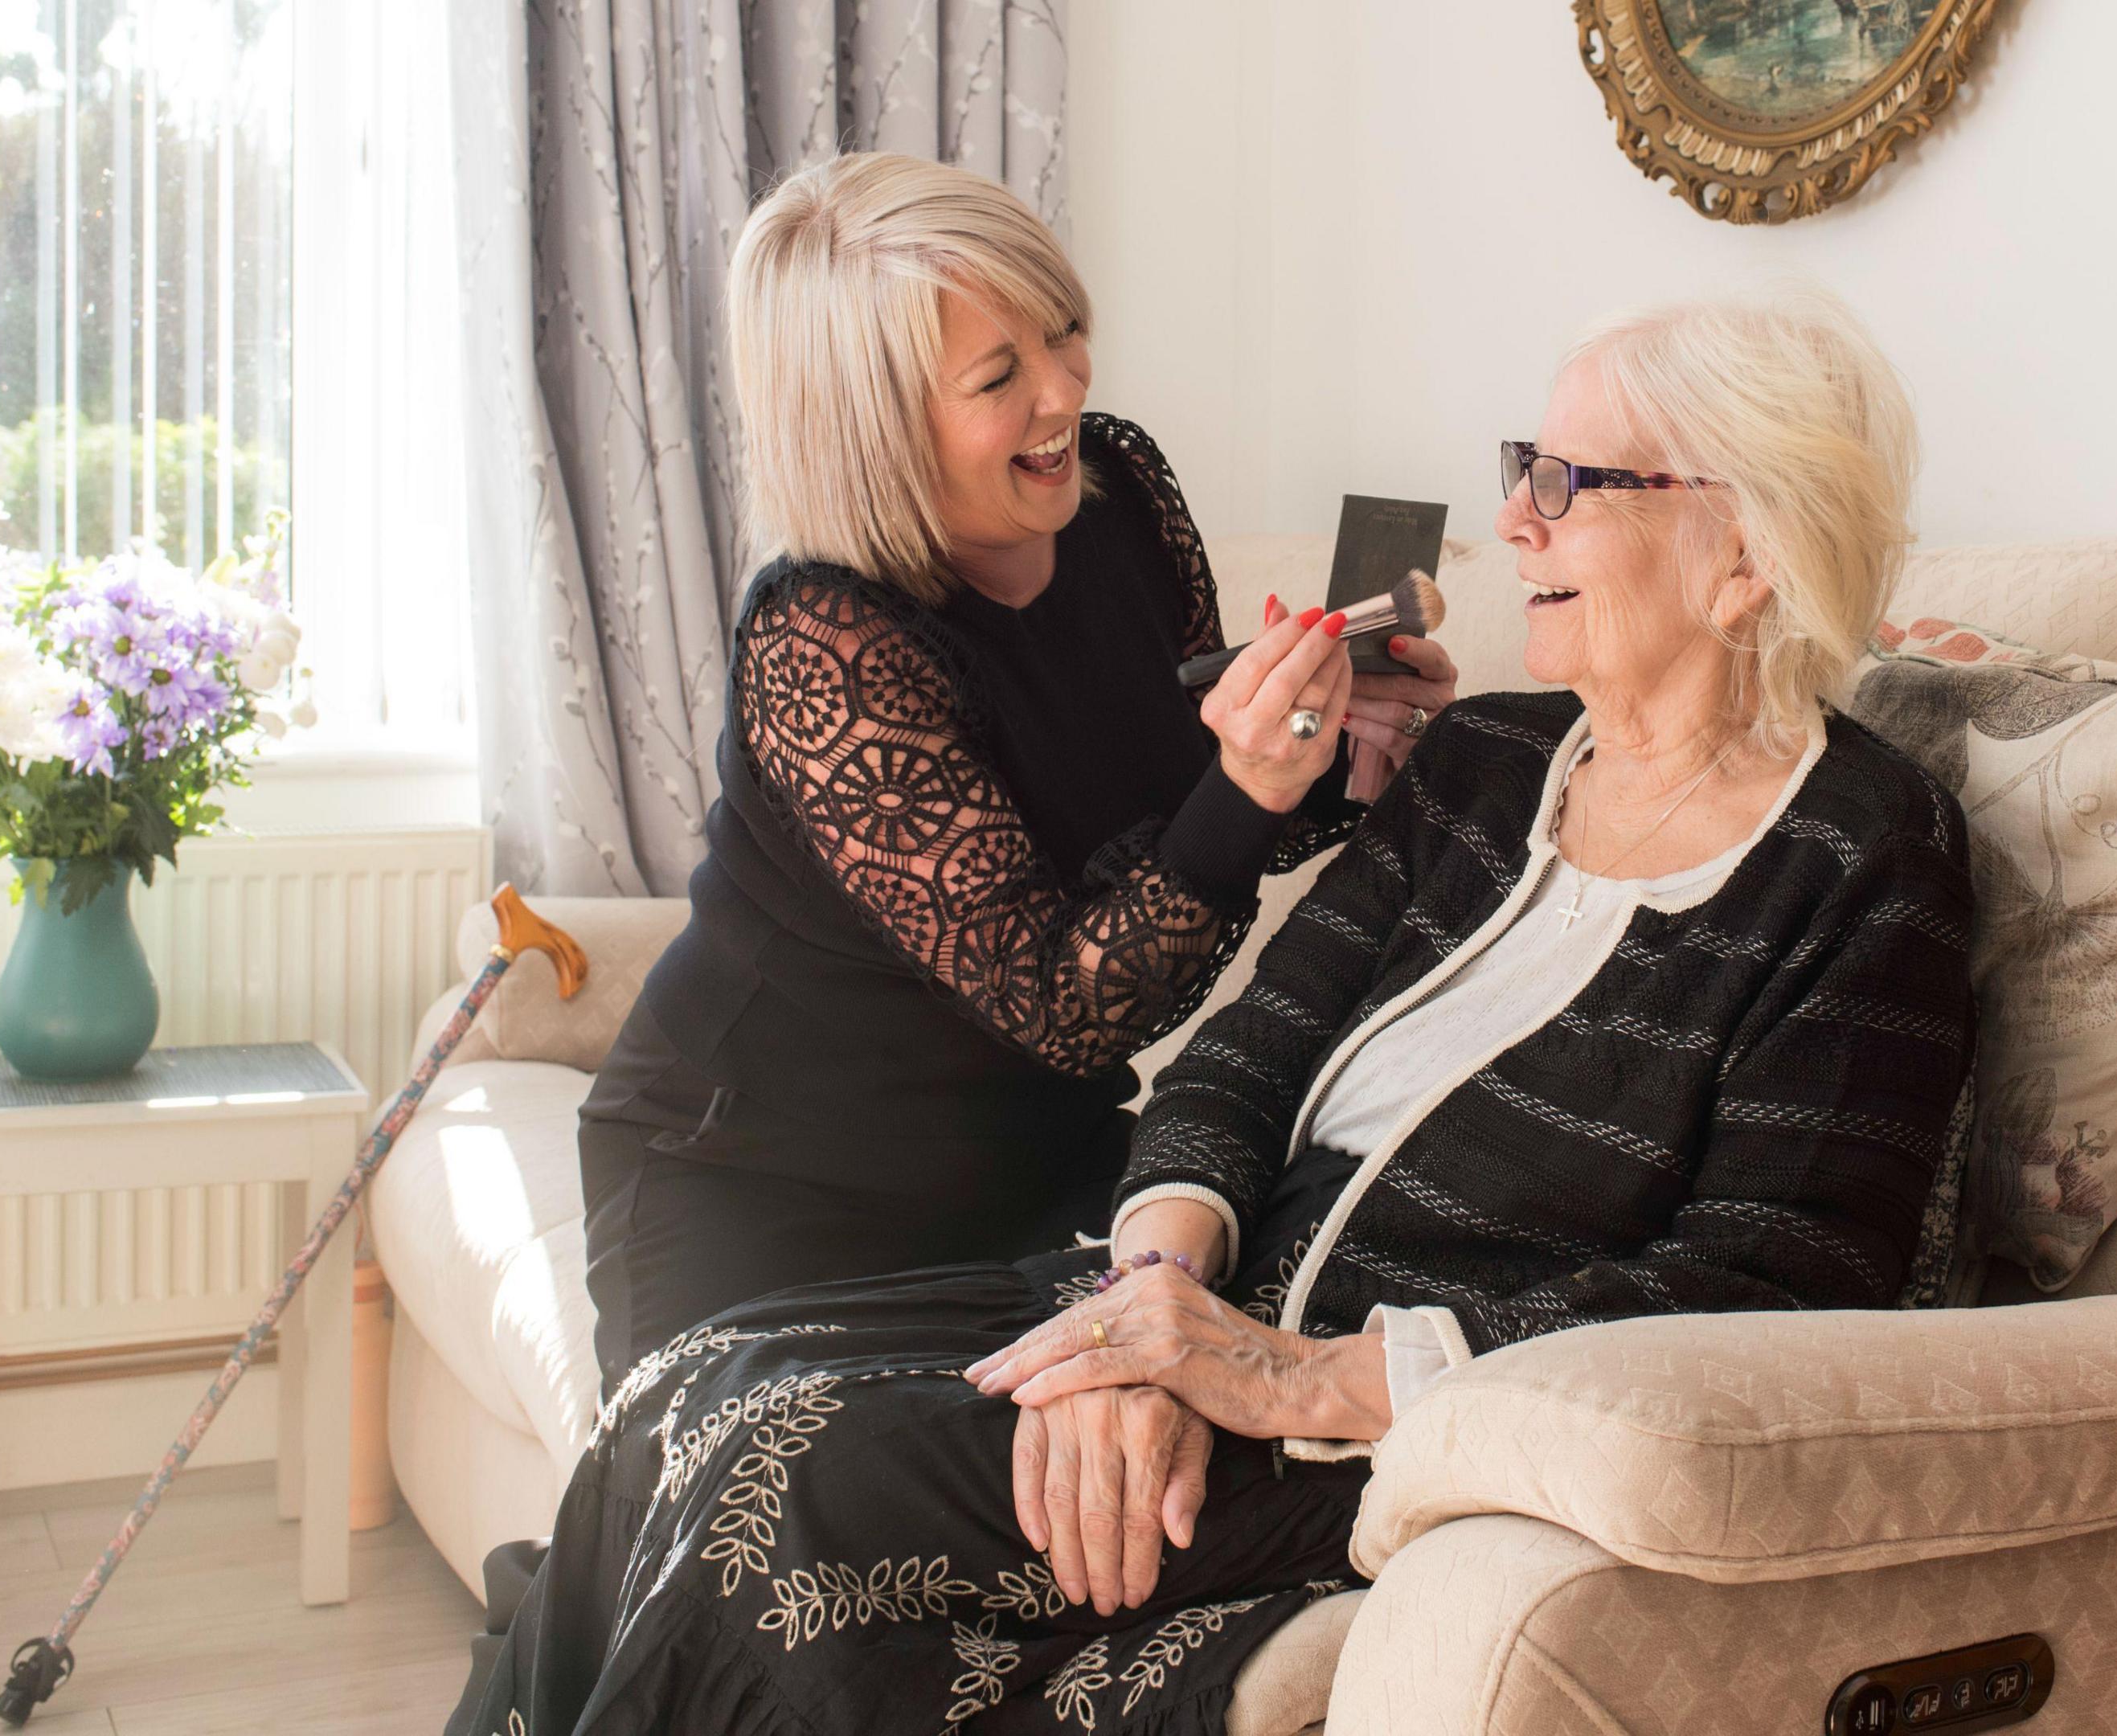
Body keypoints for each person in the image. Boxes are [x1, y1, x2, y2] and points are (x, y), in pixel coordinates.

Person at [458, 282, 1974, 1736]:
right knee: (687, 1399)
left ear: (1744, 552)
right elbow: (1238, 1058)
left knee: (776, 1487)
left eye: (1572, 481)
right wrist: (1149, 1319)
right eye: (1530, 466)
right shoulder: (1490, 762)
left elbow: (1781, 1281)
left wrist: (1289, 1377)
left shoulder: (1861, 848)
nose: (1513, 518)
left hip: (1384, 1416)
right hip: (1164, 1291)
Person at [576, 153, 1462, 1386]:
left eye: (1064, 332)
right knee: (747, 1529)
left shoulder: (1123, 488)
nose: (1062, 392)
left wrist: (1331, 755)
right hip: (763, 1183)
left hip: (1037, 1158)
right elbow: (1060, 998)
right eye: (1000, 377)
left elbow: (1173, 809)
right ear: (875, 421)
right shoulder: (822, 638)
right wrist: (1257, 783)